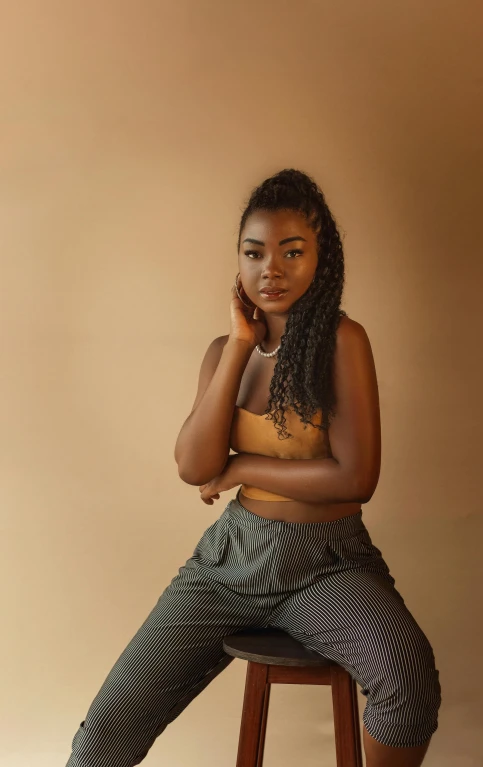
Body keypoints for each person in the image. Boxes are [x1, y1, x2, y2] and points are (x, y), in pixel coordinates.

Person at [66, 169, 441, 767]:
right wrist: (240, 344)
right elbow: (194, 466)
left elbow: (354, 477)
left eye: (293, 252)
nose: (272, 268)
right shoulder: (223, 350)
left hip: (325, 565)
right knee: (109, 726)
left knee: (408, 677)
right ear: (238, 262)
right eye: (255, 252)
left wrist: (243, 467)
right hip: (229, 561)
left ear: (322, 258)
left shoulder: (342, 341)